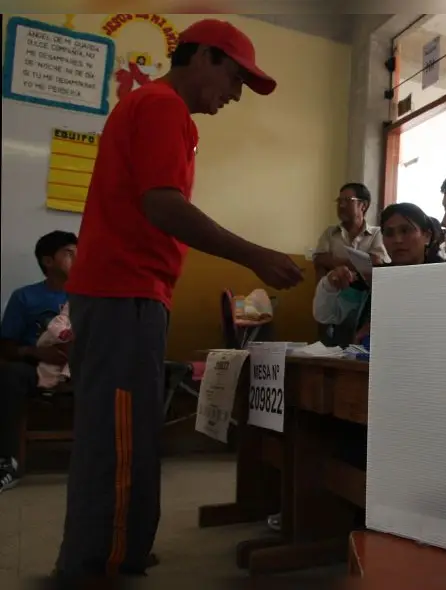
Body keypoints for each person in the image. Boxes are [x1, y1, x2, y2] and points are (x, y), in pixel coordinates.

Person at [55, 19, 304, 579]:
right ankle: (99, 561)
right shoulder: (162, 106)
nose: (235, 95)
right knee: (119, 435)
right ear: (207, 58)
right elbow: (163, 205)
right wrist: (256, 255)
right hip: (124, 291)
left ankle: (122, 545)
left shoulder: (158, 110)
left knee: (127, 429)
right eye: (236, 79)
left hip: (129, 292)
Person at [0, 231, 77, 493]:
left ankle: (111, 458)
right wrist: (35, 352)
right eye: (69, 253)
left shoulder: (90, 298)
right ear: (48, 261)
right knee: (9, 374)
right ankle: (7, 462)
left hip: (79, 367)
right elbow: (6, 345)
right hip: (34, 367)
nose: (77, 259)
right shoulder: (25, 297)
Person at [314, 203, 445, 345]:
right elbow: (326, 315)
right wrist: (329, 285)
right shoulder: (372, 279)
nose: (397, 240)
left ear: (427, 236)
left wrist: (383, 326)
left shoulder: (444, 278)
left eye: (405, 231)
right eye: (389, 233)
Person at [312, 183, 389, 278]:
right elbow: (319, 260)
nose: (341, 205)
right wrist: (360, 264)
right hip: (334, 291)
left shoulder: (377, 233)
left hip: (365, 292)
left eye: (348, 201)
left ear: (363, 205)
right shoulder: (330, 232)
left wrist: (333, 262)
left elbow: (376, 263)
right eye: (339, 201)